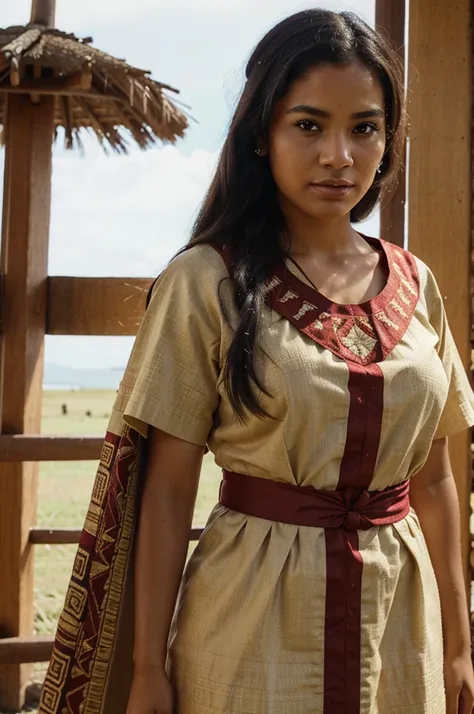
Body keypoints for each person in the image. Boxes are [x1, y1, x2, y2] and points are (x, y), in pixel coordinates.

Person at [40, 9, 474, 714]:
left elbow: (436, 481)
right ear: (260, 137)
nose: (339, 154)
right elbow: (169, 488)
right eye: (309, 125)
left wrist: (459, 646)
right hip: (251, 624)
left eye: (364, 127)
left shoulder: (416, 284)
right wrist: (148, 667)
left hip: (403, 629)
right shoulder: (205, 280)